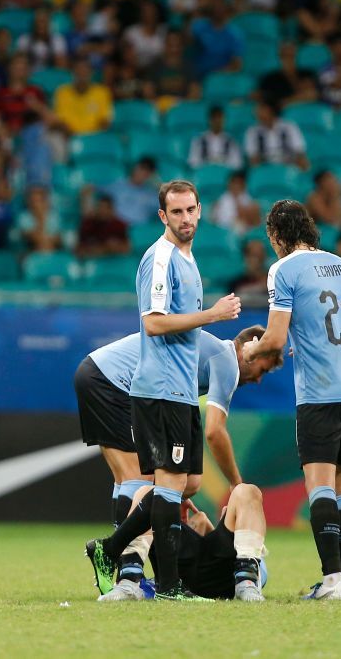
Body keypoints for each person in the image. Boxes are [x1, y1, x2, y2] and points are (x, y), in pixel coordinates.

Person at [243, 200, 341, 601]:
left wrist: (249, 352)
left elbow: (276, 339)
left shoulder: (283, 269)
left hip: (321, 390)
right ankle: (337, 579)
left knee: (318, 486)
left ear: (277, 236)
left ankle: (333, 582)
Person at [125, 180, 241, 599]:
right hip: (160, 389)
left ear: (200, 210)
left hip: (182, 391)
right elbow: (153, 322)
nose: (186, 218)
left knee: (189, 483)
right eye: (176, 212)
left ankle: (111, 547)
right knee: (171, 486)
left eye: (191, 210)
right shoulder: (160, 258)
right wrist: (211, 314)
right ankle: (171, 585)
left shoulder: (188, 260)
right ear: (162, 216)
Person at [76, 325, 281, 530]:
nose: (258, 379)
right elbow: (214, 432)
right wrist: (237, 485)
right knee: (138, 477)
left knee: (181, 482)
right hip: (112, 380)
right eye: (262, 369)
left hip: (101, 374)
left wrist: (172, 495)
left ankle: (120, 552)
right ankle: (123, 557)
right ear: (248, 349)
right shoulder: (226, 361)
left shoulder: (210, 356)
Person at [89, 483, 270, 602]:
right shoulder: (207, 534)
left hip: (223, 574)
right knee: (147, 492)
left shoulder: (252, 552)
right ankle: (128, 581)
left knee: (247, 490)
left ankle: (247, 583)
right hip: (177, 573)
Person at [53, 56, 113, 136]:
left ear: (91, 73)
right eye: (78, 71)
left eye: (85, 71)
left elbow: (105, 121)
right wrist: (74, 137)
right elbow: (59, 121)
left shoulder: (102, 92)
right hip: (68, 137)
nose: (82, 74)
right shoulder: (61, 92)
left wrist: (92, 138)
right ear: (72, 73)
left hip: (95, 137)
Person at [244, 99, 310, 170]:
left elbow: (299, 151)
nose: (257, 113)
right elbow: (253, 157)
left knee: (304, 164)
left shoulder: (289, 127)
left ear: (271, 110)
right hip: (265, 168)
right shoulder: (252, 131)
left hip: (288, 167)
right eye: (256, 110)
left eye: (261, 109)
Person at [258, 41, 318, 107]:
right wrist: (298, 98)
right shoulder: (269, 79)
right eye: (285, 54)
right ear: (279, 55)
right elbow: (272, 105)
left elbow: (314, 95)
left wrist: (288, 101)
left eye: (291, 54)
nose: (288, 58)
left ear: (297, 54)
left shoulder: (309, 74)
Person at [103, 157, 159, 226]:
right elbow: (92, 189)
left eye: (147, 172)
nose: (143, 173)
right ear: (135, 167)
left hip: (140, 231)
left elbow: (169, 208)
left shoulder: (152, 194)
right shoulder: (118, 184)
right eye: (142, 168)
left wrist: (158, 186)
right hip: (115, 227)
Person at [188, 106, 243, 171]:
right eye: (214, 118)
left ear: (224, 120)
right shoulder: (199, 140)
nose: (217, 122)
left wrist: (221, 163)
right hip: (204, 174)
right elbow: (192, 162)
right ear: (209, 120)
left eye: (220, 118)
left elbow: (238, 164)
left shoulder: (231, 141)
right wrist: (209, 163)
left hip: (225, 175)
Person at [76, 192, 129, 258]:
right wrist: (104, 248)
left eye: (105, 208)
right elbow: (79, 248)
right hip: (92, 261)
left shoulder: (120, 225)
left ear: (111, 210)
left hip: (113, 261)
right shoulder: (88, 223)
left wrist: (115, 247)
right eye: (100, 207)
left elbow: (127, 248)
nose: (102, 211)